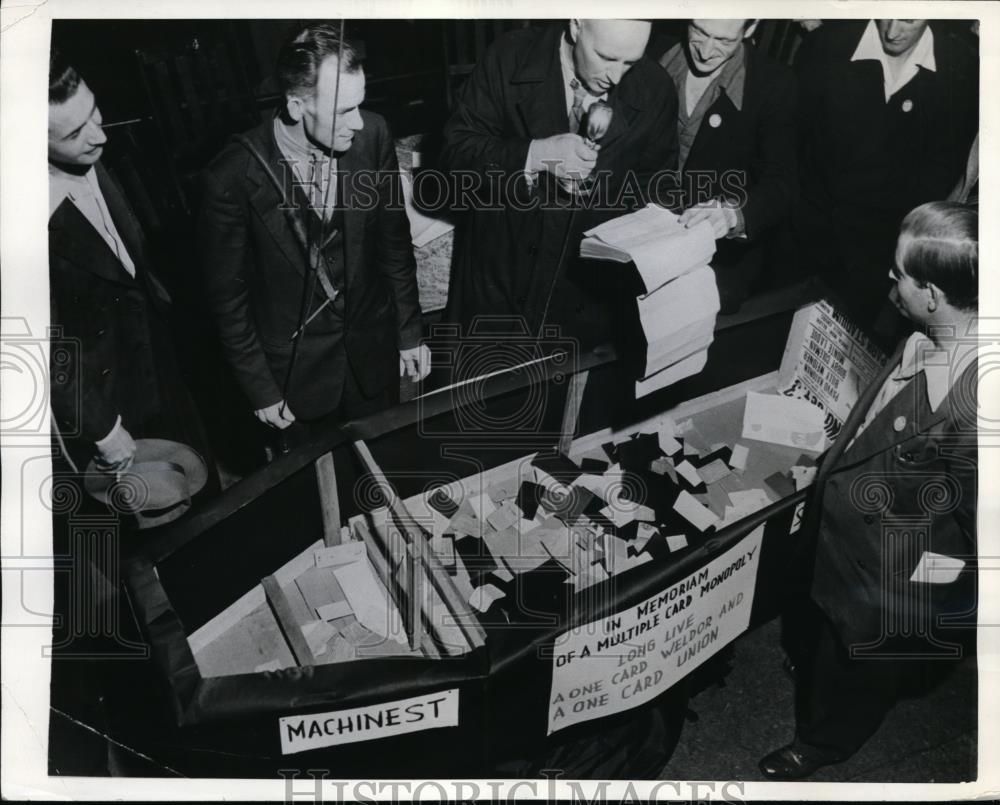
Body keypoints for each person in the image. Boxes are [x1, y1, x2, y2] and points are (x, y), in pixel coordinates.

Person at [760, 201, 978, 780]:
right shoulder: (926, 335)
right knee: (822, 634)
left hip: (885, 577)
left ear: (931, 293)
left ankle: (823, 743)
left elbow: (982, 538)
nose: (889, 280)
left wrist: (911, 597)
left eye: (899, 273)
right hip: (845, 544)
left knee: (853, 669)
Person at [199, 22, 427, 440]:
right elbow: (228, 300)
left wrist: (410, 333)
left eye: (360, 105)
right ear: (296, 106)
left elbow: (394, 242)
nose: (358, 123)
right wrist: (261, 389)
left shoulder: (373, 134)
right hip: (295, 380)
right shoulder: (232, 176)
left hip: (371, 356)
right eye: (343, 110)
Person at [440, 19, 679, 348]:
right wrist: (537, 154)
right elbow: (455, 154)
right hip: (499, 278)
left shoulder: (655, 87)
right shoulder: (509, 56)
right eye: (606, 57)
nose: (616, 76)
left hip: (584, 296)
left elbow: (657, 189)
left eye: (630, 62)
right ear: (577, 25)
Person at [48, 48, 210, 480]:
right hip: (109, 406)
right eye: (74, 133)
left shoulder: (92, 155)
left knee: (200, 487)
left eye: (94, 112)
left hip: (159, 369)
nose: (99, 135)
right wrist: (102, 428)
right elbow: (40, 347)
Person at [793, 19, 978, 330]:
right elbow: (793, 143)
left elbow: (939, 173)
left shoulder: (960, 70)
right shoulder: (827, 44)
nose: (891, 31)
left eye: (908, 20)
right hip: (801, 238)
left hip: (875, 257)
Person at [654, 19, 797, 313]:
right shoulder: (652, 52)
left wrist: (733, 214)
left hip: (712, 266)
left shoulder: (775, 86)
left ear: (750, 28)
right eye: (699, 31)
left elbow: (782, 184)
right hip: (639, 240)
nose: (706, 51)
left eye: (724, 40)